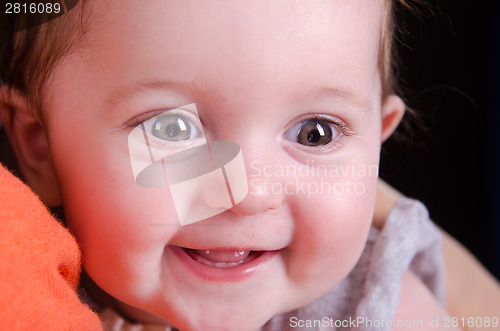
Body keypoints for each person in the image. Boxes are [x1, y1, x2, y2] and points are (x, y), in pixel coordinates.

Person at [0, 0, 495, 330]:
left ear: (377, 144)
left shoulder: (381, 313)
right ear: (39, 144)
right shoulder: (27, 286)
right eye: (173, 129)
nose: (249, 194)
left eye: (314, 133)